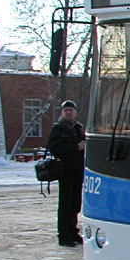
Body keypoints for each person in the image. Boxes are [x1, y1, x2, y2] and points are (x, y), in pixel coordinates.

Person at [46, 100, 86, 247]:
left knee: (75, 204)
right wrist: (75, 147)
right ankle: (64, 235)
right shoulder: (58, 128)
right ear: (62, 113)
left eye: (71, 110)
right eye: (66, 110)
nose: (69, 112)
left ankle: (73, 232)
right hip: (65, 170)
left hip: (77, 170)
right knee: (65, 204)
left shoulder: (77, 128)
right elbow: (54, 148)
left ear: (75, 112)